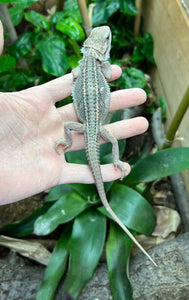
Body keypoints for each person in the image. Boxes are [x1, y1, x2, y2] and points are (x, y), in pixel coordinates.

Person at [0, 21, 148, 204]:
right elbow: (109, 74)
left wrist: (67, 140)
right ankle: (116, 161)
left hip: (85, 126)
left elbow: (75, 72)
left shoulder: (82, 66)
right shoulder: (101, 66)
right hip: (92, 127)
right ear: (102, 49)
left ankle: (71, 143)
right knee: (114, 140)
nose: (107, 37)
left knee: (69, 127)